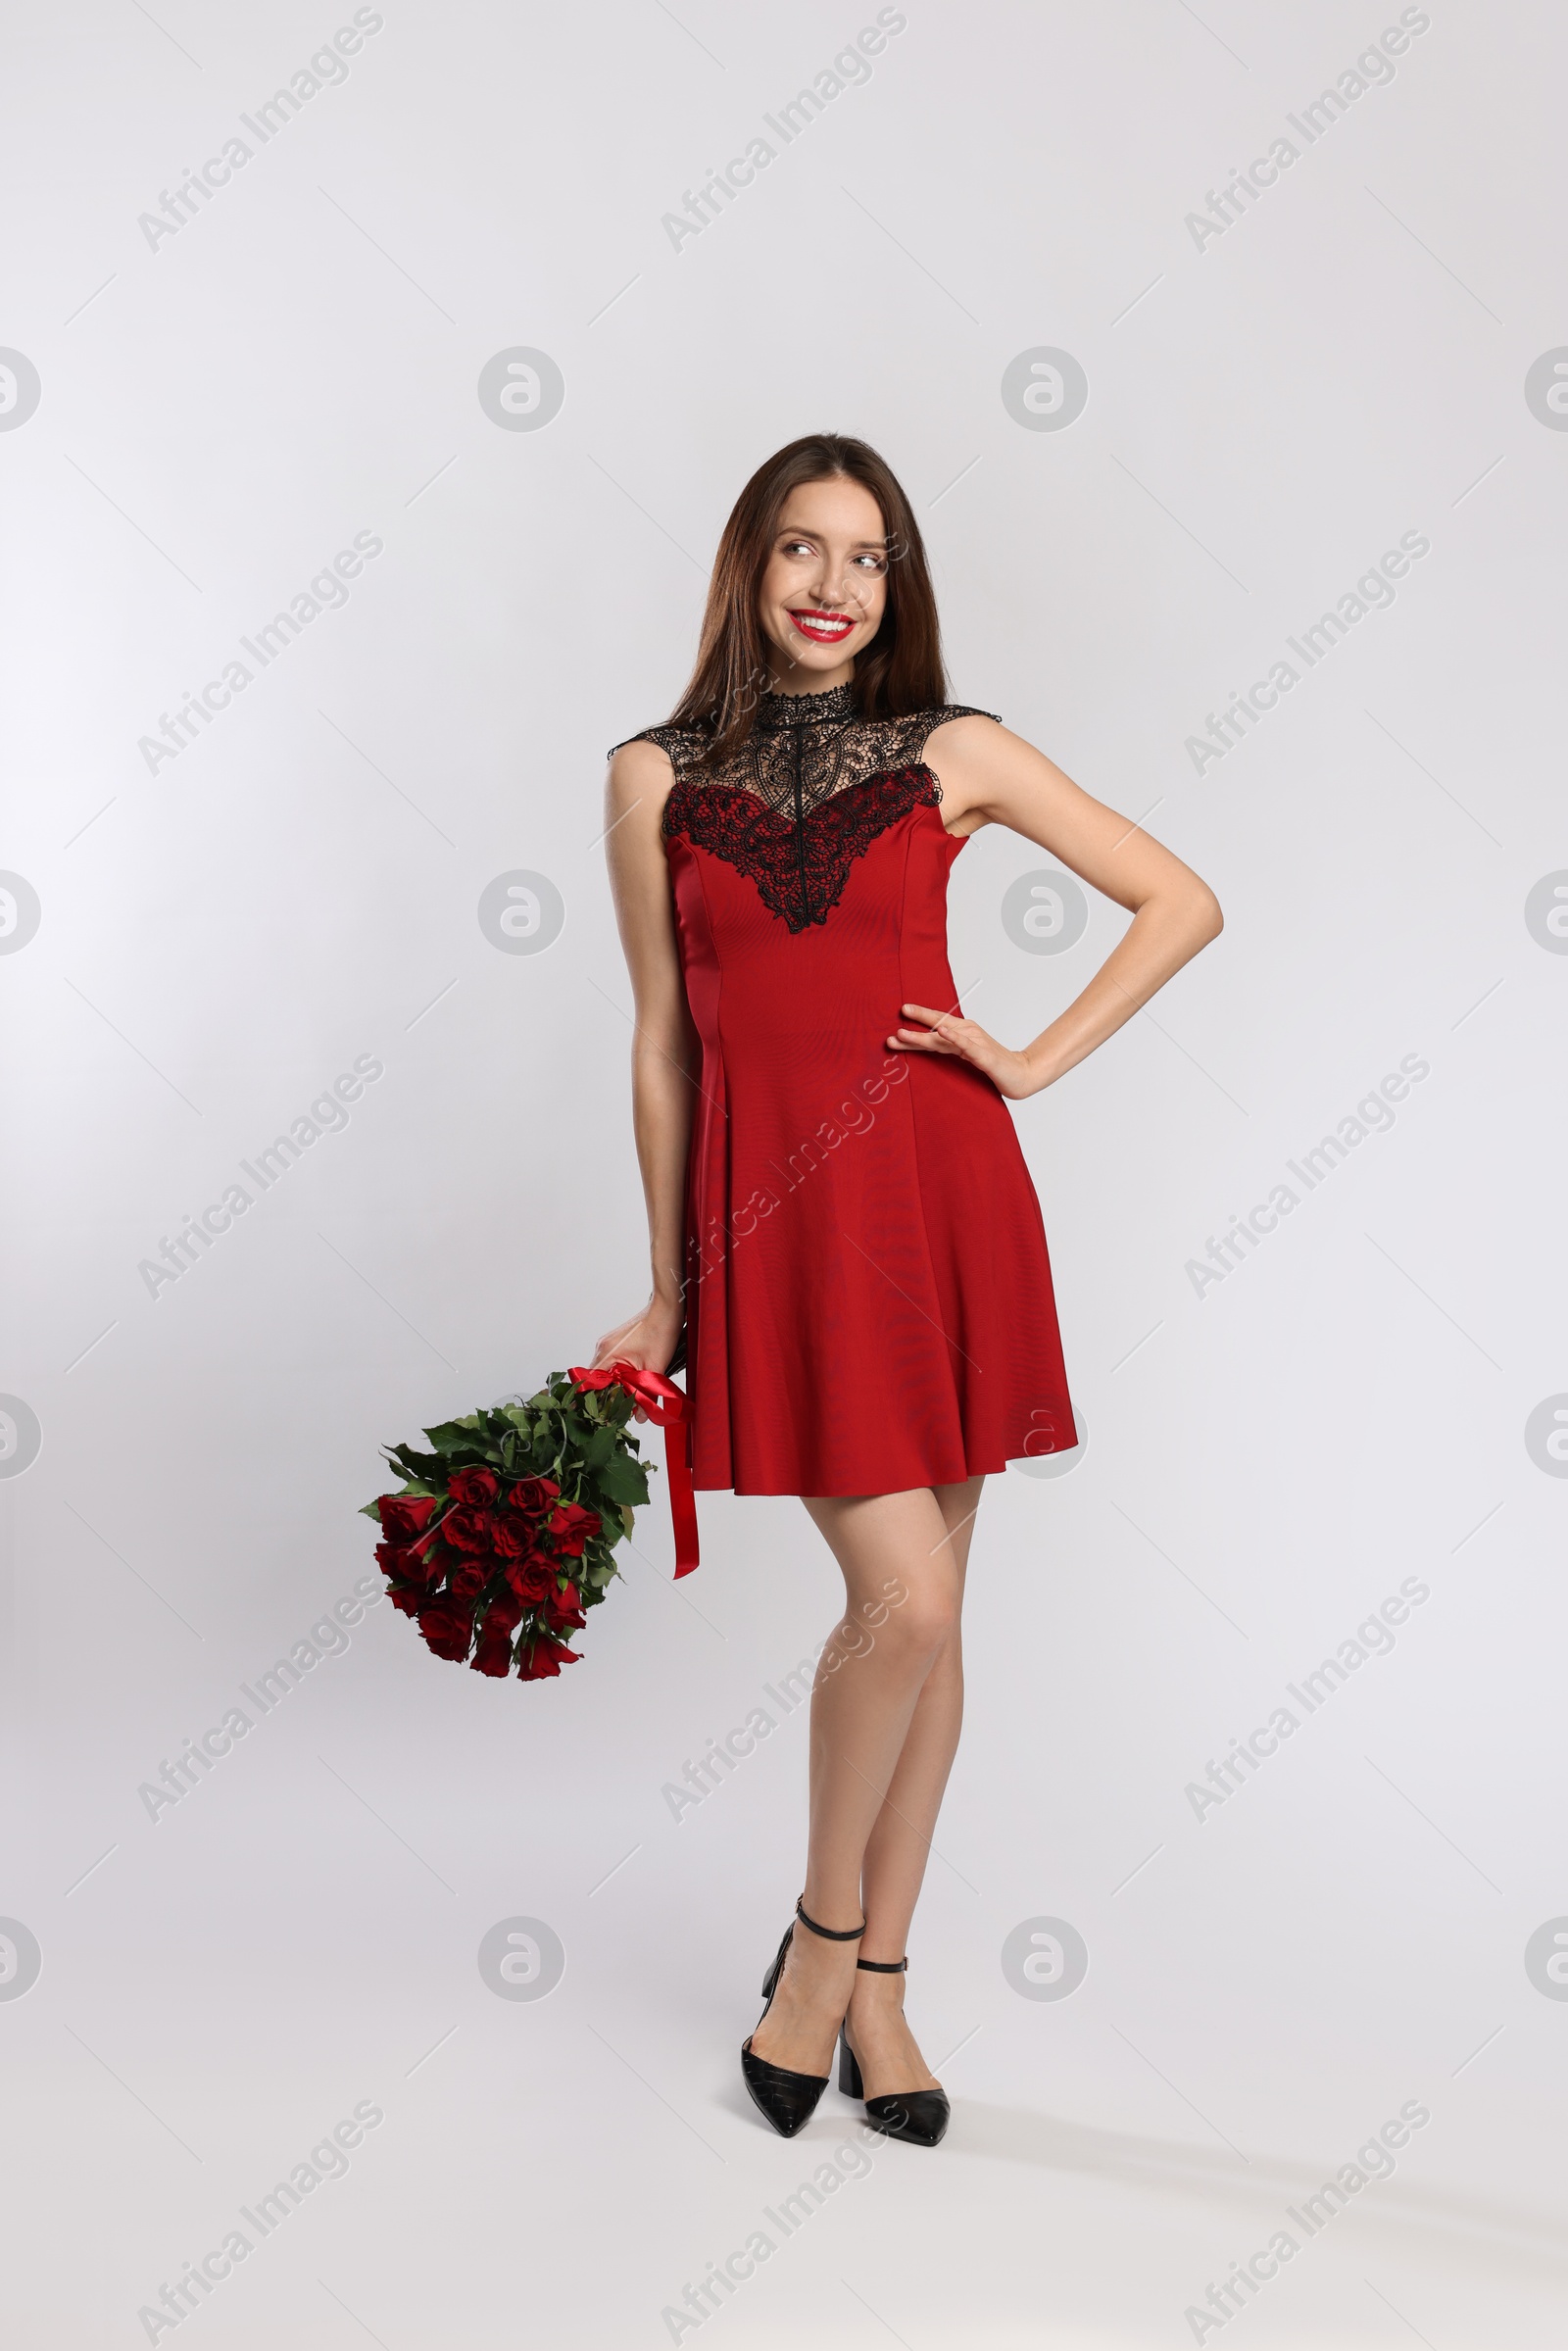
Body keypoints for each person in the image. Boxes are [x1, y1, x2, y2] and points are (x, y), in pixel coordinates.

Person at [593, 433, 1221, 2145]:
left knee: (933, 1622)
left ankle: (870, 1986)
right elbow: (663, 1045)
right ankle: (824, 1950)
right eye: (801, 549)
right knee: (912, 1609)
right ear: (749, 566)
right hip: (777, 1232)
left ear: (898, 585)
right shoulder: (652, 777)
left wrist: (1027, 1061)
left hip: (941, 1204)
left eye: (866, 558)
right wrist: (666, 1289)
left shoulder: (955, 751)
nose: (831, 586)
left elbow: (1182, 900)